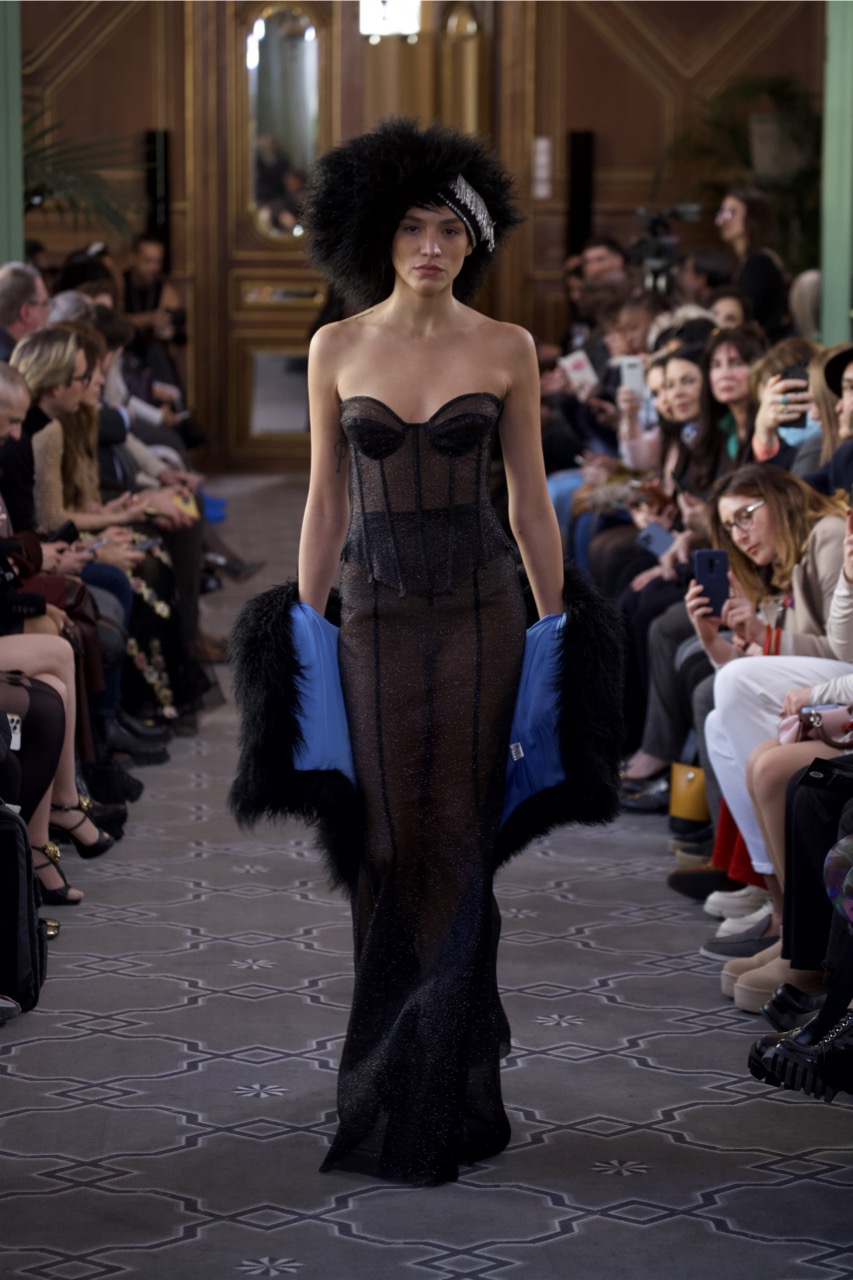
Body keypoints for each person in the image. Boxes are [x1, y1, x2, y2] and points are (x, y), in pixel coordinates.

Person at [231, 120, 622, 1185]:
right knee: (385, 839)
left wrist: (558, 634)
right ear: (378, 234)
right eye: (411, 226)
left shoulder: (506, 346)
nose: (431, 246)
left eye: (449, 228)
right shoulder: (336, 345)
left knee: (455, 833)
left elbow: (530, 503)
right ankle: (408, 1054)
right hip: (371, 609)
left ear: (473, 239)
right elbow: (323, 501)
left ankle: (439, 1083)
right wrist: (301, 630)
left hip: (483, 607)